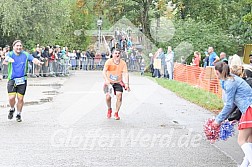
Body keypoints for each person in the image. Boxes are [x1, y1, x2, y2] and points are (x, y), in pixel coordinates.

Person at [213, 62, 252, 167]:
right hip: (248, 109)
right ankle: (245, 164)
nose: (216, 76)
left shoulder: (230, 82)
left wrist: (218, 120)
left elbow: (229, 105)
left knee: (241, 139)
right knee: (249, 140)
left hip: (249, 109)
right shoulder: (231, 79)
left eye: (216, 73)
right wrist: (227, 118)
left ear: (218, 72)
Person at [3, 40, 43, 122]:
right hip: (12, 79)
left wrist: (38, 62)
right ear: (13, 47)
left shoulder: (25, 54)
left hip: (22, 80)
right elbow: (6, 58)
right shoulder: (10, 54)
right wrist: (8, 60)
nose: (19, 47)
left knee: (20, 99)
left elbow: (33, 59)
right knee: (11, 98)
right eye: (17, 46)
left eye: (20, 46)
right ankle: (12, 108)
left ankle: (18, 114)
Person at [102, 49, 130, 120]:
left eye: (118, 53)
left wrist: (126, 84)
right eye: (115, 53)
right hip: (109, 83)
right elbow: (104, 72)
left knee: (119, 96)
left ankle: (116, 112)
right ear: (112, 54)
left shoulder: (123, 63)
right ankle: (109, 109)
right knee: (108, 97)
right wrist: (106, 80)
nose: (117, 55)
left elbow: (126, 73)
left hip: (118, 82)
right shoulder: (109, 62)